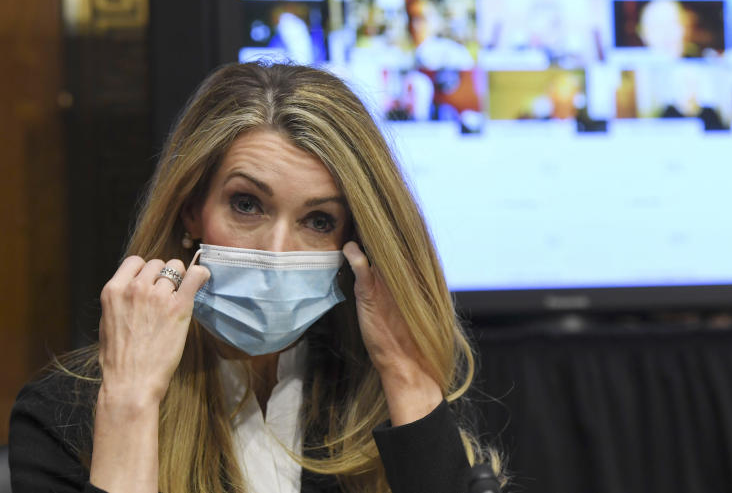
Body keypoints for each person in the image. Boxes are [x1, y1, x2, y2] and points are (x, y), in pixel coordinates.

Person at [10, 63, 502, 493]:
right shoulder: (64, 414)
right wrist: (131, 404)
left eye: (319, 221)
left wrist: (407, 376)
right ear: (191, 212)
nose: (275, 252)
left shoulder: (383, 399)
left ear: (357, 242)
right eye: (247, 205)